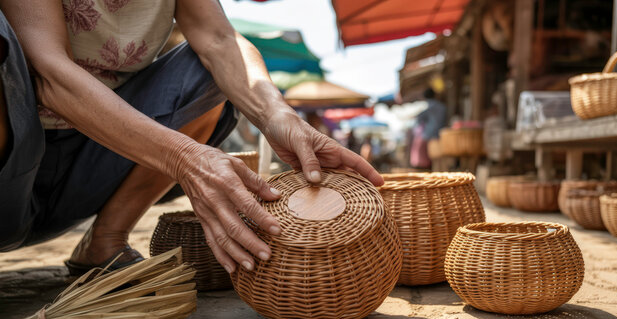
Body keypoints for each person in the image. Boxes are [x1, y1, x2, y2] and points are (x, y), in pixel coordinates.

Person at [0, 0, 383, 275]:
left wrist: (278, 114)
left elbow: (218, 40)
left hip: (92, 168)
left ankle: (105, 239)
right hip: (13, 169)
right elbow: (48, 75)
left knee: (208, 71)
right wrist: (185, 157)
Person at [409, 88, 446, 169]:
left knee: (429, 159)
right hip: (442, 135)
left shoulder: (429, 108)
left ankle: (424, 169)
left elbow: (419, 119)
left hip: (429, 135)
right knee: (440, 161)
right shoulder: (442, 107)